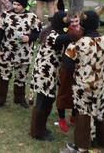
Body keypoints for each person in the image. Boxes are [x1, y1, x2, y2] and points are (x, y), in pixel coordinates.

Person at [64, 10, 104, 153]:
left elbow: (67, 64)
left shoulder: (78, 43)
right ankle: (103, 141)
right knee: (100, 110)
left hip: (83, 86)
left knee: (84, 113)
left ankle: (82, 146)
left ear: (83, 25)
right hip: (99, 84)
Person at [30, 11, 80, 141]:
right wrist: (79, 30)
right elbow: (65, 38)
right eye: (66, 19)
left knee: (47, 101)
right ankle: (38, 132)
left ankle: (40, 128)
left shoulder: (55, 30)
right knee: (43, 102)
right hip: (44, 74)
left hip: (48, 73)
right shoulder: (52, 35)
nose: (68, 21)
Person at [0, 0, 42, 110]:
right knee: (3, 76)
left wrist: (29, 38)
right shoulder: (6, 15)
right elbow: (0, 33)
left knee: (21, 77)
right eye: (14, 4)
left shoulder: (32, 17)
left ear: (23, 5)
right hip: (7, 52)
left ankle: (19, 98)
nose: (15, 6)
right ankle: (0, 100)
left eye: (18, 5)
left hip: (24, 53)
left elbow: (37, 32)